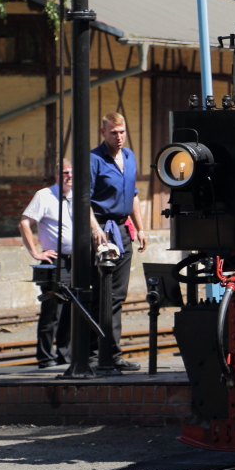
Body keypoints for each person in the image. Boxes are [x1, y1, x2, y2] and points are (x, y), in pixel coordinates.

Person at [87, 112, 148, 371]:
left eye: (121, 131)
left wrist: (141, 229)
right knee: (100, 294)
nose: (119, 136)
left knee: (117, 296)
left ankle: (112, 355)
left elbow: (133, 196)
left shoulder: (130, 156)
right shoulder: (93, 159)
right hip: (101, 229)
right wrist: (94, 229)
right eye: (113, 132)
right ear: (103, 133)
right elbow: (84, 199)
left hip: (122, 230)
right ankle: (92, 356)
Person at [19, 159, 74, 368]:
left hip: (75, 260)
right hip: (54, 259)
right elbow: (24, 223)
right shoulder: (45, 195)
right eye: (66, 173)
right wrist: (35, 252)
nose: (70, 176)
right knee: (52, 310)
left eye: (72, 173)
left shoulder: (77, 196)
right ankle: (45, 357)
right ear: (57, 176)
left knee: (70, 309)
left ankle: (64, 355)